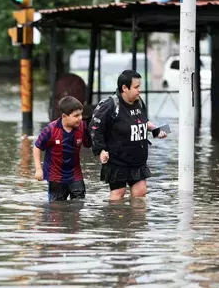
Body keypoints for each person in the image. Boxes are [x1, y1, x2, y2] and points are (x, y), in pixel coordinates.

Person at [89, 70, 167, 201]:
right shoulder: (110, 105)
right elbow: (94, 127)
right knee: (118, 193)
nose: (139, 90)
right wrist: (100, 150)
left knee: (140, 194)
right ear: (124, 88)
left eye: (139, 86)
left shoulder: (139, 102)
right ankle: (114, 219)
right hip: (117, 161)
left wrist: (156, 130)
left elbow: (143, 122)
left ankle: (136, 221)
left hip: (138, 161)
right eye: (136, 87)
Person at [33, 96, 91, 201]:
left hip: (75, 174)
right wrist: (38, 169)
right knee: (57, 209)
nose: (80, 118)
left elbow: (89, 144)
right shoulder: (51, 130)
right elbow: (37, 147)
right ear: (64, 116)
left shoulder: (82, 126)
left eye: (81, 114)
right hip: (56, 176)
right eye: (76, 116)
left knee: (79, 203)